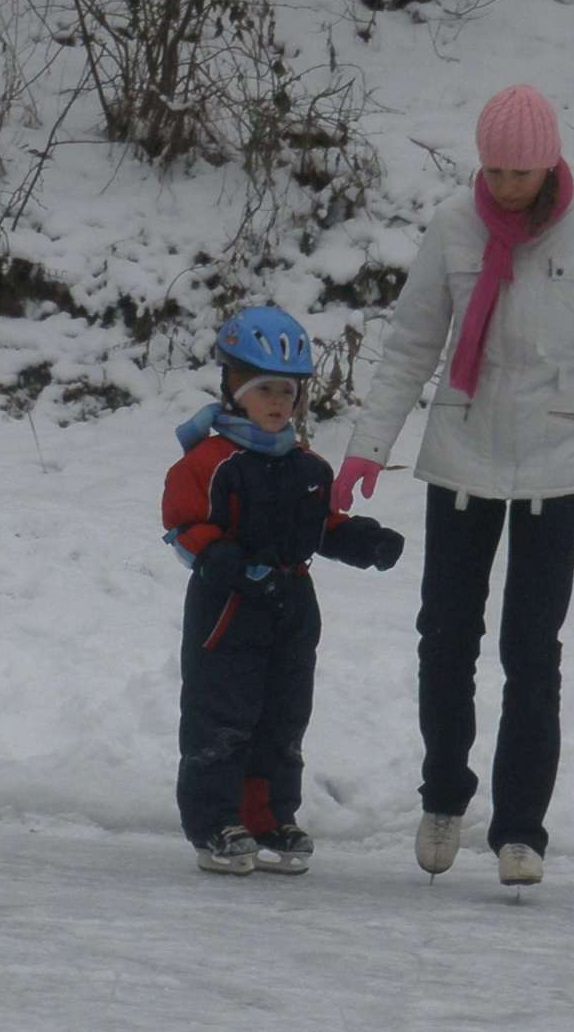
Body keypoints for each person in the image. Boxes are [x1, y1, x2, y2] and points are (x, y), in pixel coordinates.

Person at [330, 84, 574, 887]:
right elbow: (411, 344)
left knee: (531, 651)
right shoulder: (452, 226)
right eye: (494, 170)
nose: (504, 186)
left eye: (520, 172)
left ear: (549, 164)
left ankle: (521, 829)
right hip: (463, 454)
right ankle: (443, 797)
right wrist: (367, 449)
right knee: (445, 638)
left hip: (558, 465)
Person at [163, 305, 405, 876]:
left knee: (283, 719)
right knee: (222, 717)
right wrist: (223, 559)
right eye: (265, 390)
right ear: (234, 389)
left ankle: (270, 817)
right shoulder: (209, 462)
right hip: (229, 611)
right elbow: (184, 526)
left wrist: (362, 541)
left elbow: (321, 526)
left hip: (292, 610)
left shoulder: (307, 466)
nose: (278, 403)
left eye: (288, 392)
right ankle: (215, 822)